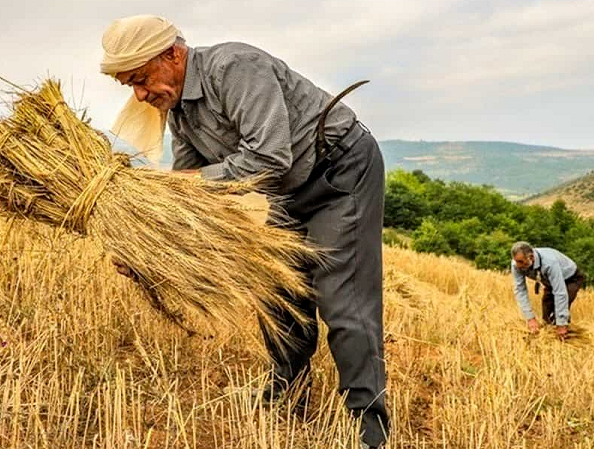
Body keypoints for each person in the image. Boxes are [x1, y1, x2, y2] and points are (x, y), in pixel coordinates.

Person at [101, 15, 388, 447]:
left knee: (342, 300)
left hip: (338, 172)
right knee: (278, 294)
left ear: (172, 54)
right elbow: (193, 196)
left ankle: (369, 426)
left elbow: (270, 157)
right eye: (131, 86)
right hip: (285, 191)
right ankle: (285, 394)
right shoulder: (180, 112)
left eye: (142, 79)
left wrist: (191, 183)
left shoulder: (235, 68)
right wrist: (150, 245)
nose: (141, 95)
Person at [510, 241, 586, 340]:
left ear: (531, 257)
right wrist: (530, 318)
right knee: (547, 314)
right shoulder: (516, 265)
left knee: (557, 313)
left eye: (520, 262)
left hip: (571, 279)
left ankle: (565, 337)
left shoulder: (549, 262)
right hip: (548, 280)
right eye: (516, 261)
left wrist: (561, 323)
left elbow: (560, 292)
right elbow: (520, 290)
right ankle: (550, 341)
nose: (518, 265)